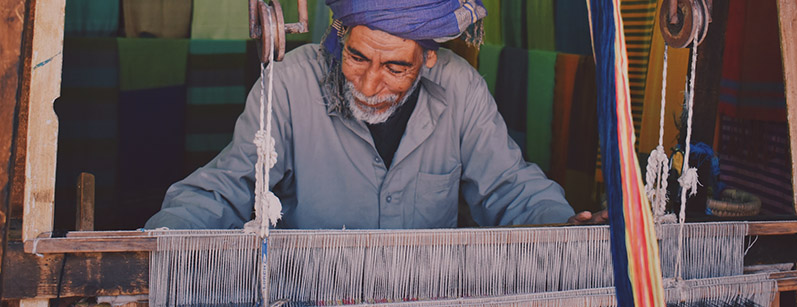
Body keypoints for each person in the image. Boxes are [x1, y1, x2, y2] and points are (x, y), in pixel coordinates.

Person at [145, 0, 607, 230]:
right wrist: (154, 250)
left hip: (423, 303)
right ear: (340, 36)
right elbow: (229, 187)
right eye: (357, 57)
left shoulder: (460, 89)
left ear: (428, 59)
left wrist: (561, 229)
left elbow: (509, 187)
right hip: (310, 303)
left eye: (395, 67)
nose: (368, 85)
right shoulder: (289, 86)